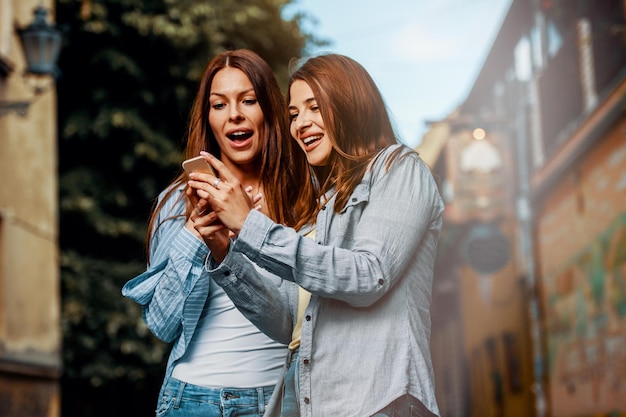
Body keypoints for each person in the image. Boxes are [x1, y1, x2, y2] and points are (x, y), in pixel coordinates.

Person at [187, 53, 444, 417]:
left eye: (314, 107)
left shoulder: (400, 168)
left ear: (350, 105)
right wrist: (224, 250)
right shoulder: (320, 208)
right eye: (293, 114)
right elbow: (286, 322)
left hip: (375, 398)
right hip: (305, 397)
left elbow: (369, 274)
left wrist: (251, 226)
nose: (300, 124)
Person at [121, 49, 308, 417]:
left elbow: (304, 314)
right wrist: (195, 235)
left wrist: (251, 229)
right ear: (209, 119)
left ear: (269, 111)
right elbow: (161, 324)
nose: (234, 114)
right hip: (192, 400)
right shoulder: (178, 202)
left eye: (248, 101)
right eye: (219, 104)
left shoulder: (303, 198)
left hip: (279, 400)